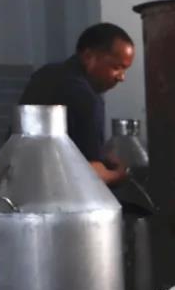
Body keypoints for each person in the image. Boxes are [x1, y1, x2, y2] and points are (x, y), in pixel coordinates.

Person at [19, 23, 135, 185]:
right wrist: (119, 175)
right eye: (117, 67)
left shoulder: (43, 75)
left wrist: (102, 158)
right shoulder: (86, 96)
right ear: (88, 57)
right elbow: (89, 173)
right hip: (60, 192)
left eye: (125, 70)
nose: (121, 77)